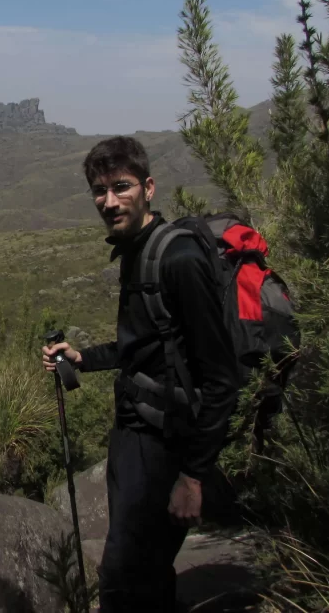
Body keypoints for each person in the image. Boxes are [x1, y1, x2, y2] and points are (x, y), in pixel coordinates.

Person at [42, 136, 241, 612]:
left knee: (124, 576)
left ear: (148, 187)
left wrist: (193, 477)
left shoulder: (178, 259)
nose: (108, 201)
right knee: (143, 573)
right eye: (99, 190)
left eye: (121, 187)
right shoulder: (137, 249)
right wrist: (84, 357)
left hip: (164, 446)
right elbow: (144, 345)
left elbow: (221, 376)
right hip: (135, 436)